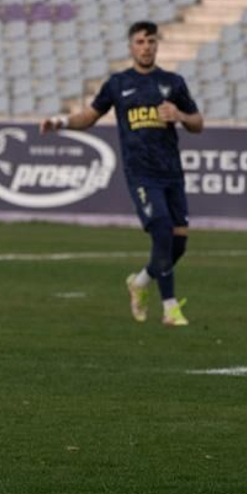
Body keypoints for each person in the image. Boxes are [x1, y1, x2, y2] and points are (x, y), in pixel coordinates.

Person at [39, 21, 203, 327]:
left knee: (178, 245)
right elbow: (89, 117)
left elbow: (198, 123)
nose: (146, 47)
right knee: (163, 231)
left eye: (151, 41)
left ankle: (139, 283)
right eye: (140, 42)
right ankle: (169, 308)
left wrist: (180, 116)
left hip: (172, 173)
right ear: (131, 47)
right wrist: (60, 122)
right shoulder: (118, 84)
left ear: (157, 45)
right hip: (141, 173)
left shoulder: (173, 83)